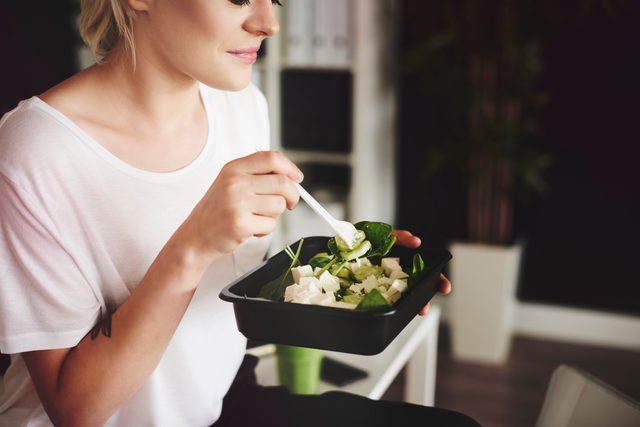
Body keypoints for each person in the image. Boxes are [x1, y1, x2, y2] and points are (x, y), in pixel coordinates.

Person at [0, 0, 480, 425]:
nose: (269, 23)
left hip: (223, 400)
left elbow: (233, 297)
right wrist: (190, 247)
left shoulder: (243, 106)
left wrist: (359, 281)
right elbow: (74, 410)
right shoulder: (35, 151)